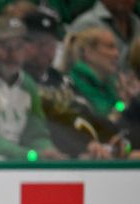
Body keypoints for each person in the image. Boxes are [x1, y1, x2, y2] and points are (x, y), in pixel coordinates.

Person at [22, 8, 119, 159]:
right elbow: (47, 126)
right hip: (48, 158)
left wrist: (116, 136)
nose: (45, 50)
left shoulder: (62, 80)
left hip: (89, 151)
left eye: (50, 43)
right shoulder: (18, 80)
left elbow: (85, 114)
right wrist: (82, 147)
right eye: (38, 43)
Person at [0, 15, 65, 160]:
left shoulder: (27, 85)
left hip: (16, 167)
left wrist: (47, 150)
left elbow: (36, 133)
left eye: (19, 46)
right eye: (4, 46)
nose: (12, 54)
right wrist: (29, 155)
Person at [61, 26, 122, 120]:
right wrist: (122, 104)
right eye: (110, 47)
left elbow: (118, 109)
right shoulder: (73, 83)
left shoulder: (109, 85)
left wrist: (123, 101)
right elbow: (105, 119)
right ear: (88, 52)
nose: (117, 54)